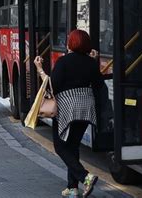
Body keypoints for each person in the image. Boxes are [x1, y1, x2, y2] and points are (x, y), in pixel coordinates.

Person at [34, 29, 102, 198]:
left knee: (60, 146)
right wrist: (92, 62)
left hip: (67, 108)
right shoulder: (91, 63)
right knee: (72, 146)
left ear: (71, 44)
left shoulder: (64, 62)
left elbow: (53, 86)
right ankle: (72, 188)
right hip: (86, 108)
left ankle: (86, 177)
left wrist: (40, 69)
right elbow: (99, 84)